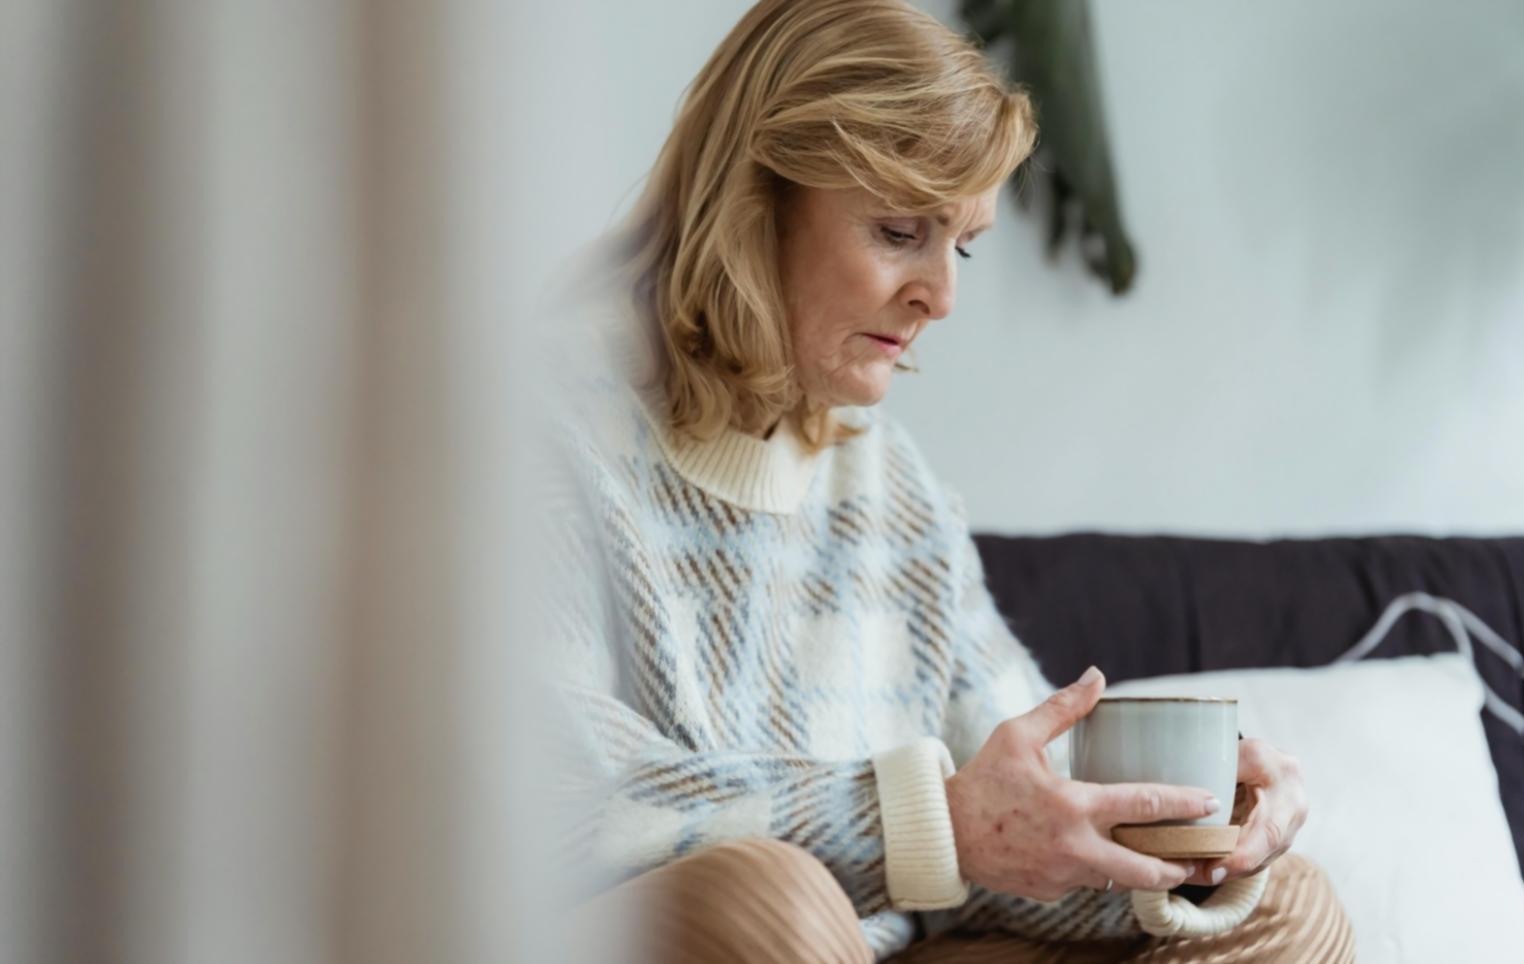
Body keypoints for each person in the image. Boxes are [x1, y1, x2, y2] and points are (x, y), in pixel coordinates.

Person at [547, 0, 1352, 960]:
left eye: (960, 243)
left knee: (1284, 903)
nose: (942, 295)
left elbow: (1016, 803)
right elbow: (550, 803)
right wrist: (931, 824)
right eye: (898, 231)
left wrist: (1196, 842)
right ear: (750, 205)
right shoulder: (525, 429)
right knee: (767, 901)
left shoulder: (888, 482)